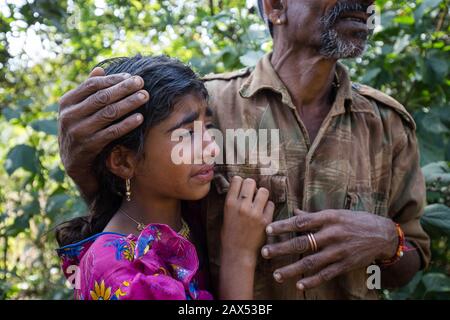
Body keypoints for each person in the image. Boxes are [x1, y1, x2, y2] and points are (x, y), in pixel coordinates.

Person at [57, 0, 430, 299]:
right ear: (275, 7)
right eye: (191, 133)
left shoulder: (388, 126)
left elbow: (409, 262)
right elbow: (136, 205)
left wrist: (386, 241)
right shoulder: (205, 104)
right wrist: (81, 163)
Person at [56, 55, 274, 300]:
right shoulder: (119, 275)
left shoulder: (188, 219)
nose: (212, 147)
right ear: (124, 162)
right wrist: (238, 255)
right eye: (187, 134)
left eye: (208, 126)